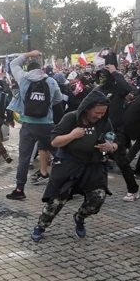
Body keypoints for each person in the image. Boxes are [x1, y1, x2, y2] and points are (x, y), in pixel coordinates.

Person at [30, 91, 115, 242]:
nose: (100, 116)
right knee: (57, 201)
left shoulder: (104, 121)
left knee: (98, 198)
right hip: (69, 165)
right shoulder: (71, 118)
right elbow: (54, 142)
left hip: (93, 166)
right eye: (97, 112)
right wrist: (72, 135)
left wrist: (112, 146)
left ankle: (80, 217)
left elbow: (114, 138)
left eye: (103, 113)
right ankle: (41, 225)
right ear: (88, 108)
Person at [6, 50, 63, 200]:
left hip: (28, 125)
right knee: (60, 154)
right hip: (47, 125)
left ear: (28, 69)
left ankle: (19, 190)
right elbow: (58, 99)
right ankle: (70, 183)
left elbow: (13, 63)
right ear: (42, 69)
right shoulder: (51, 81)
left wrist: (28, 54)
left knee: (24, 159)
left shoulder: (23, 78)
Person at [93, 63, 140, 201]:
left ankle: (133, 189)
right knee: (97, 159)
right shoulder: (98, 90)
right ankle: (96, 188)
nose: (101, 78)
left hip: (115, 131)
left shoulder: (117, 89)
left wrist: (115, 73)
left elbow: (127, 88)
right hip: (99, 130)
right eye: (99, 76)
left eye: (104, 76)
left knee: (122, 161)